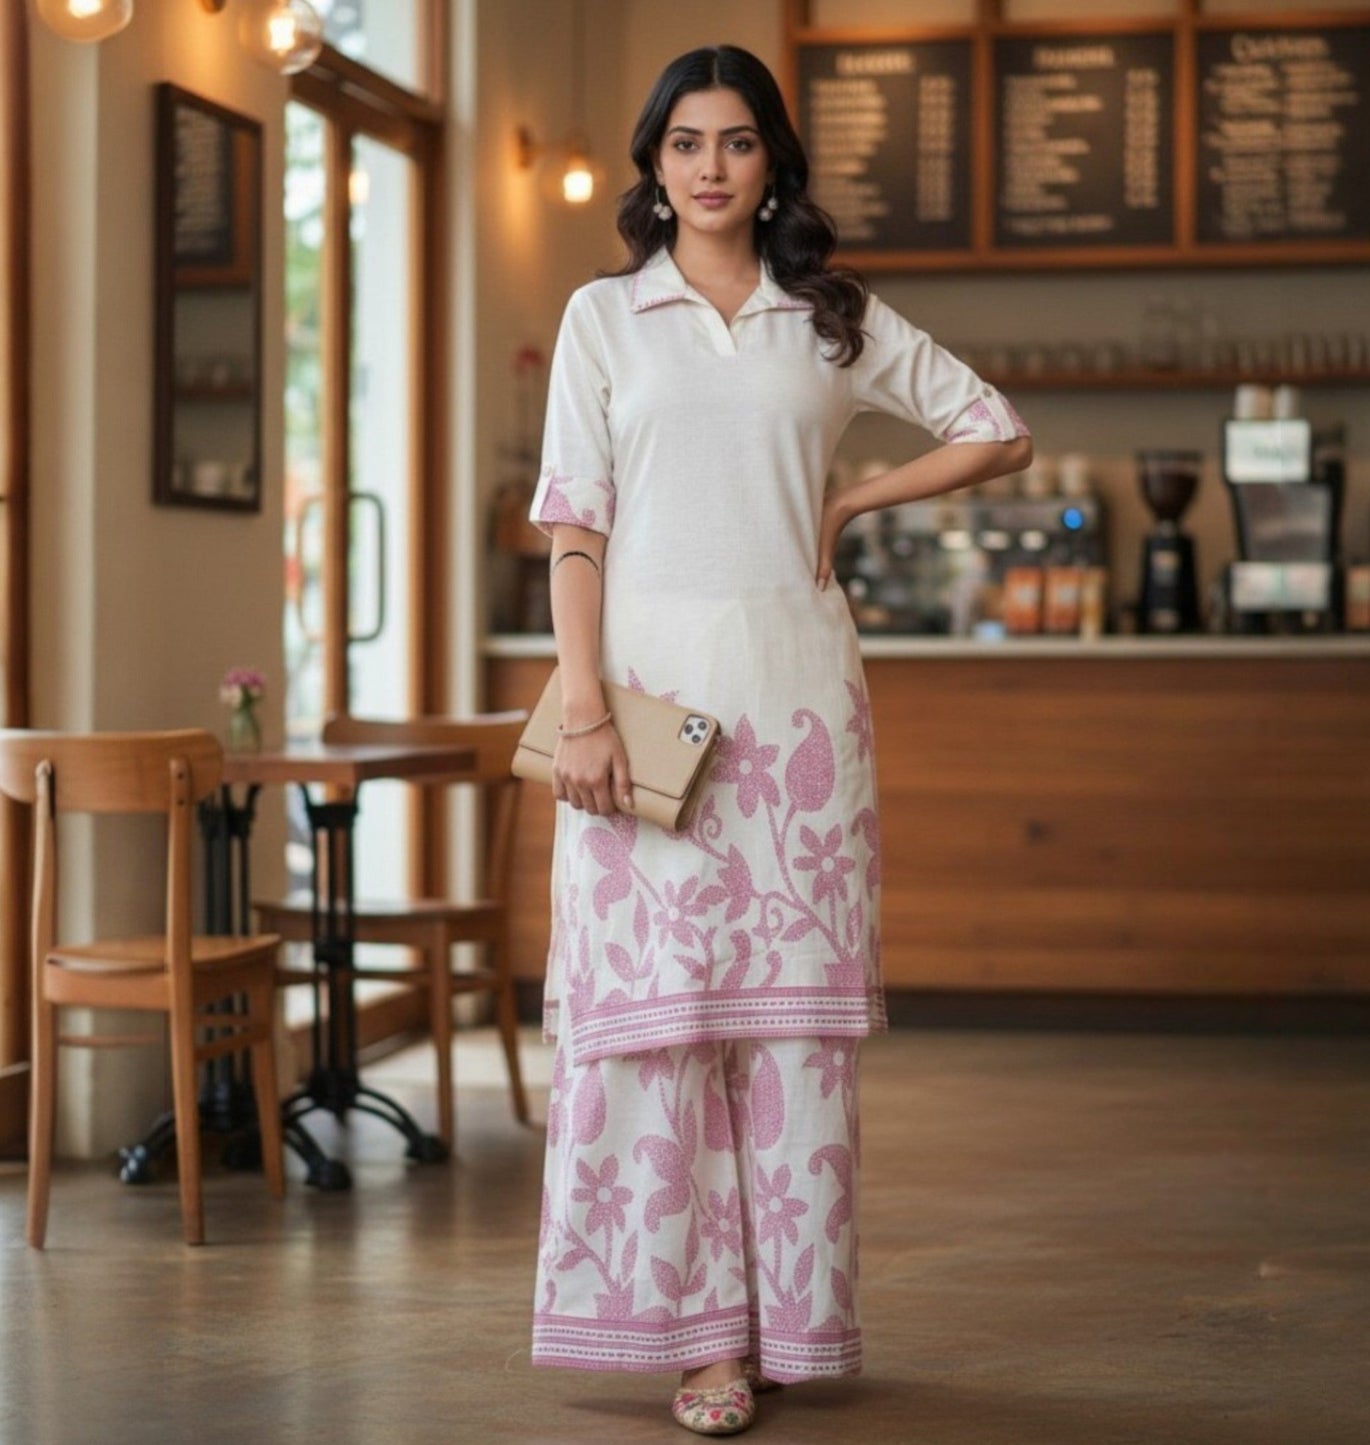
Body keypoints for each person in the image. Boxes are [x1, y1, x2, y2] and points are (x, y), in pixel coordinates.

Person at [527, 44, 1031, 1437]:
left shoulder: (832, 318)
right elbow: (574, 527)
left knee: (790, 1039)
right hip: (638, 714)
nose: (707, 167)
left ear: (771, 164)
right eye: (682, 143)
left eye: (736, 142)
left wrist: (851, 500)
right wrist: (579, 703)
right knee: (657, 1036)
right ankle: (696, 1344)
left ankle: (788, 1329)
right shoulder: (601, 318)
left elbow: (995, 431)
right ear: (651, 164)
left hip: (800, 709)